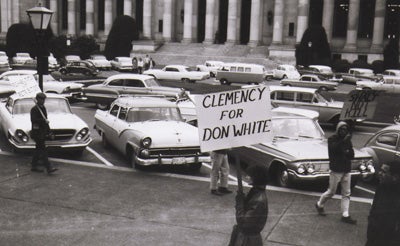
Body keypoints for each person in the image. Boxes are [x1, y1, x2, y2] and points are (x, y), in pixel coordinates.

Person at [315, 121, 357, 224]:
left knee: (346, 193)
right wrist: (344, 146)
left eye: (345, 129)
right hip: (336, 170)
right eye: (342, 129)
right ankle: (320, 204)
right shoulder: (332, 139)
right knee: (331, 191)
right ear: (338, 130)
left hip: (346, 169)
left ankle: (345, 214)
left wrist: (346, 149)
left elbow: (351, 155)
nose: (343, 131)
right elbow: (334, 149)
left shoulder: (347, 140)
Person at [229, 165, 269, 246]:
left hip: (248, 241)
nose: (247, 177)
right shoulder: (255, 193)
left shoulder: (259, 201)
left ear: (256, 178)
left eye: (250, 176)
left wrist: (240, 203)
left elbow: (243, 222)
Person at [366, 161, 400, 246]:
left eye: (384, 172)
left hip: (389, 234)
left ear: (395, 177)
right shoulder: (381, 186)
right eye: (380, 170)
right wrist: (371, 220)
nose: (379, 173)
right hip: (374, 229)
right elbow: (374, 206)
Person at [30, 92, 57, 174]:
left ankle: (33, 166)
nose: (43, 101)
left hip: (43, 132)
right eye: (41, 99)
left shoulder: (43, 108)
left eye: (44, 99)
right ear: (37, 99)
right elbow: (33, 120)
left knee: (38, 149)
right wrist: (43, 120)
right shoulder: (34, 109)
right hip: (37, 133)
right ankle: (49, 167)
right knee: (43, 150)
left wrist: (49, 131)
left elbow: (46, 121)